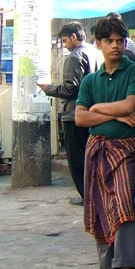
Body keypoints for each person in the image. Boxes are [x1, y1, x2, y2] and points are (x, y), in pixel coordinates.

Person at [75, 14, 135, 269]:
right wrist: (117, 115)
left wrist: (96, 109)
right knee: (99, 209)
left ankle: (128, 268)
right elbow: (79, 118)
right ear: (98, 43)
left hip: (123, 150)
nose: (115, 46)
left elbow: (131, 104)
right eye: (109, 41)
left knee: (123, 204)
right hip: (96, 149)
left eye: (120, 41)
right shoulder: (90, 80)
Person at [38, 22, 100, 205]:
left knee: (77, 159)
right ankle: (94, 195)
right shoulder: (95, 52)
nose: (65, 45)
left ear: (74, 36)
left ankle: (86, 197)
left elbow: (70, 89)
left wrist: (48, 88)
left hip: (74, 114)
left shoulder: (75, 56)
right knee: (91, 157)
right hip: (93, 112)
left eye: (65, 40)